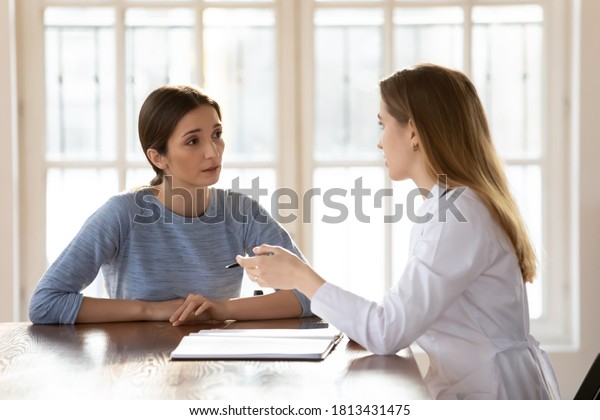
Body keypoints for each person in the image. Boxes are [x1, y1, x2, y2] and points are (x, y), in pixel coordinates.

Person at [233, 64, 561, 399]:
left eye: (383, 124)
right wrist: (355, 318)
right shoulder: (449, 205)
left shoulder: (459, 214)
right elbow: (399, 316)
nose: (379, 142)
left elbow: (387, 332)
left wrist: (300, 276)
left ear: (414, 132)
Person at [29, 85, 312, 325]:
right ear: (158, 157)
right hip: (136, 368)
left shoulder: (243, 213)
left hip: (216, 368)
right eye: (192, 141)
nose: (213, 152)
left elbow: (311, 295)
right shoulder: (122, 214)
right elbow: (46, 303)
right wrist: (154, 310)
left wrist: (221, 309)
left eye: (216, 134)